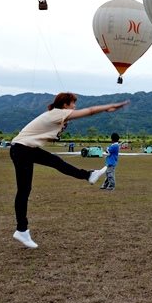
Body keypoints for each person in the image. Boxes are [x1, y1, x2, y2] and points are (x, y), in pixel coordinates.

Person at [10, 92, 129, 249]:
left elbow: (46, 135)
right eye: (73, 103)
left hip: (25, 149)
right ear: (65, 105)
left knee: (53, 165)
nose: (75, 107)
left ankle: (89, 175)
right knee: (26, 189)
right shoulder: (59, 113)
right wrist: (109, 106)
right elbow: (90, 111)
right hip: (22, 149)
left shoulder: (56, 115)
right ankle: (21, 230)